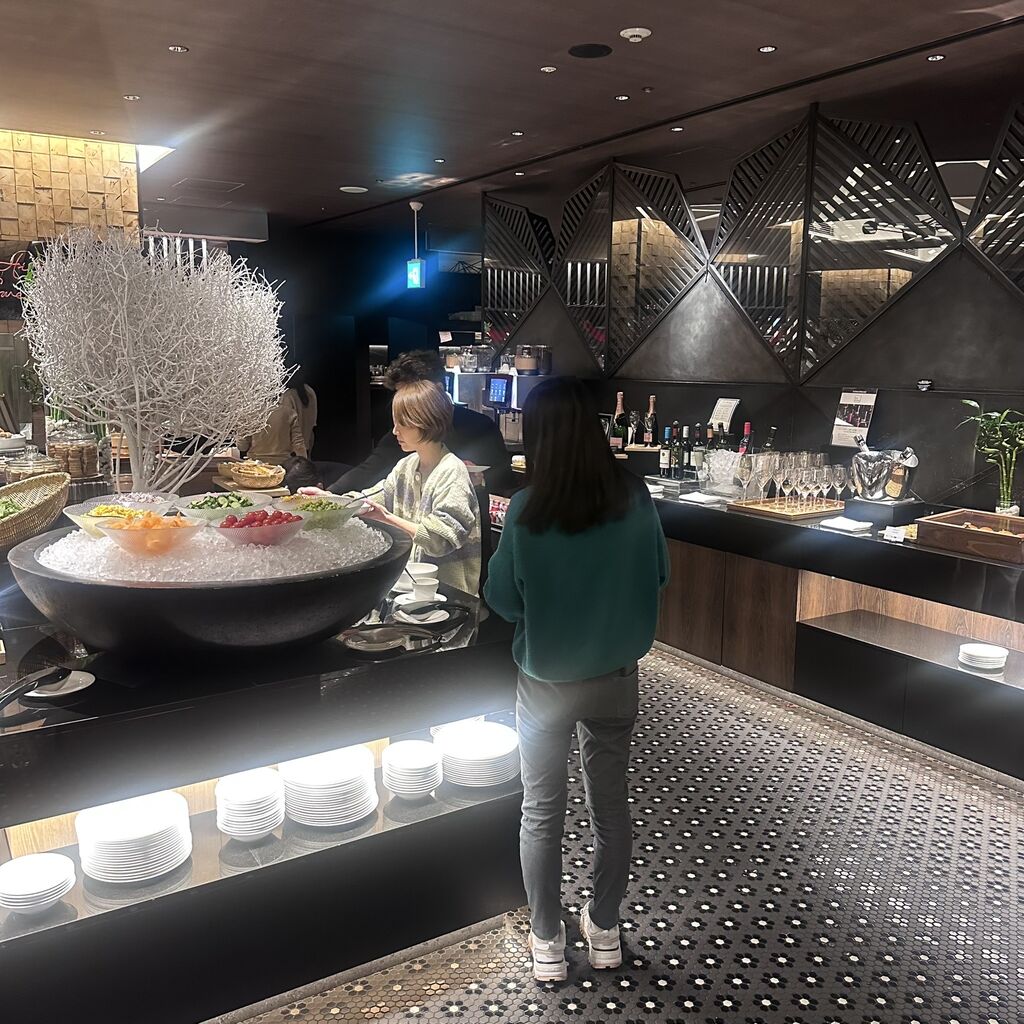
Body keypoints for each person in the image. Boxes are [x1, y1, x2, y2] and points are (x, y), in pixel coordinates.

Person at [484, 376, 669, 982]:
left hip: (546, 681)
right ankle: (606, 928)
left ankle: (546, 939)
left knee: (542, 809)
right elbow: (659, 574)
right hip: (616, 676)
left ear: (539, 437)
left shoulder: (528, 508)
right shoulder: (635, 495)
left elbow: (502, 600)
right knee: (610, 807)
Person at [308, 380, 482, 595]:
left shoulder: (452, 471)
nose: (394, 431)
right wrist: (326, 499)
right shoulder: (406, 466)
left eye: (402, 423)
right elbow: (369, 498)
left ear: (425, 422)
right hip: (413, 590)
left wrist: (386, 518)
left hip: (449, 595)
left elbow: (441, 539)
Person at [333, 350, 513, 494]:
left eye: (412, 396)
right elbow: (370, 469)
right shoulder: (404, 443)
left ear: (438, 390)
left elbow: (504, 477)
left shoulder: (481, 427)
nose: (404, 404)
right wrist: (331, 494)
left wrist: (481, 480)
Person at [240, 392, 307, 465]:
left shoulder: (250, 414)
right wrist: (304, 465)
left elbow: (242, 447)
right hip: (282, 464)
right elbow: (298, 444)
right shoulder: (290, 413)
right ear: (280, 394)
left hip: (255, 464)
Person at [286, 365, 318, 454]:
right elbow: (312, 424)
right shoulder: (310, 392)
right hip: (306, 447)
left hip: (291, 449)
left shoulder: (288, 396)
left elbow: (285, 425)